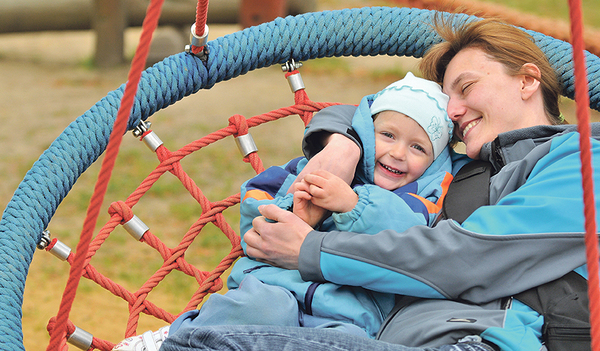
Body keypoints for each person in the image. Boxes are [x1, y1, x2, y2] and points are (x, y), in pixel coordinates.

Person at [157, 15, 600, 351]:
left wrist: (310, 250)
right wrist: (343, 142)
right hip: (385, 337)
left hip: (474, 342)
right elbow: (389, 116)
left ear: (527, 80)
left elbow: (473, 258)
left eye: (467, 88)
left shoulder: (583, 159)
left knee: (204, 343)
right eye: (448, 101)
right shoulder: (453, 172)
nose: (455, 110)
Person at [112, 72, 454, 350]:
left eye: (417, 147)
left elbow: (407, 241)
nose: (397, 153)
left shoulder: (419, 204)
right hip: (276, 286)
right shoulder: (318, 167)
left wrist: (353, 204)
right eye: (388, 135)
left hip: (346, 313)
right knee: (262, 310)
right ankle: (176, 341)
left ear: (433, 164)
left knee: (345, 344)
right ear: (367, 132)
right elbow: (254, 207)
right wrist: (293, 209)